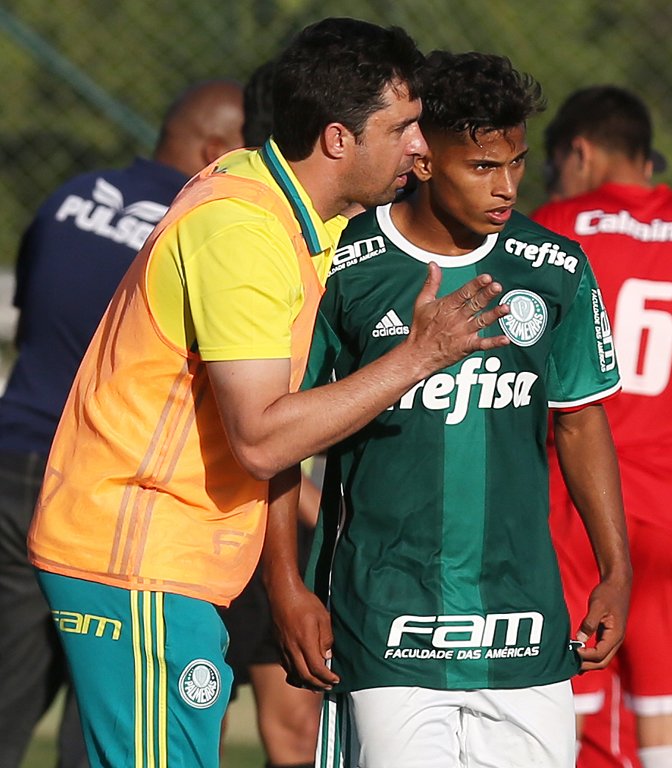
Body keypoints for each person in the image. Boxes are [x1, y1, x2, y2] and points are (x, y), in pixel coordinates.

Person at [27, 18, 513, 768]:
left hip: (169, 563)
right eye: (405, 126)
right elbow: (261, 435)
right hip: (141, 558)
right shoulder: (244, 230)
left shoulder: (285, 212)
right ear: (337, 139)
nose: (421, 147)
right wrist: (420, 356)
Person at [263, 50, 632, 768]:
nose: (507, 188)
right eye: (483, 167)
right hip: (383, 620)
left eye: (517, 163)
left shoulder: (555, 267)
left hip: (523, 625)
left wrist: (614, 568)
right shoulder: (345, 263)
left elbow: (582, 421)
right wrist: (285, 584)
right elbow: (280, 434)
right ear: (425, 160)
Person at [0, 78, 245, 768]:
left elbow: (29, 316)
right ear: (215, 146)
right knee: (111, 717)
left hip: (15, 457)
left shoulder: (72, 196)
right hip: (109, 485)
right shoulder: (200, 222)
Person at [531, 85, 672, 768]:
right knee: (662, 700)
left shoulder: (558, 223)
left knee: (576, 689)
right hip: (669, 501)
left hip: (583, 494)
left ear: (578, 153)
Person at [218, 57, 324, 768]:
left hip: (277, 528)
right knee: (195, 720)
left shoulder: (328, 238)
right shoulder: (236, 230)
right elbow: (257, 433)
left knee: (296, 732)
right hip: (219, 527)